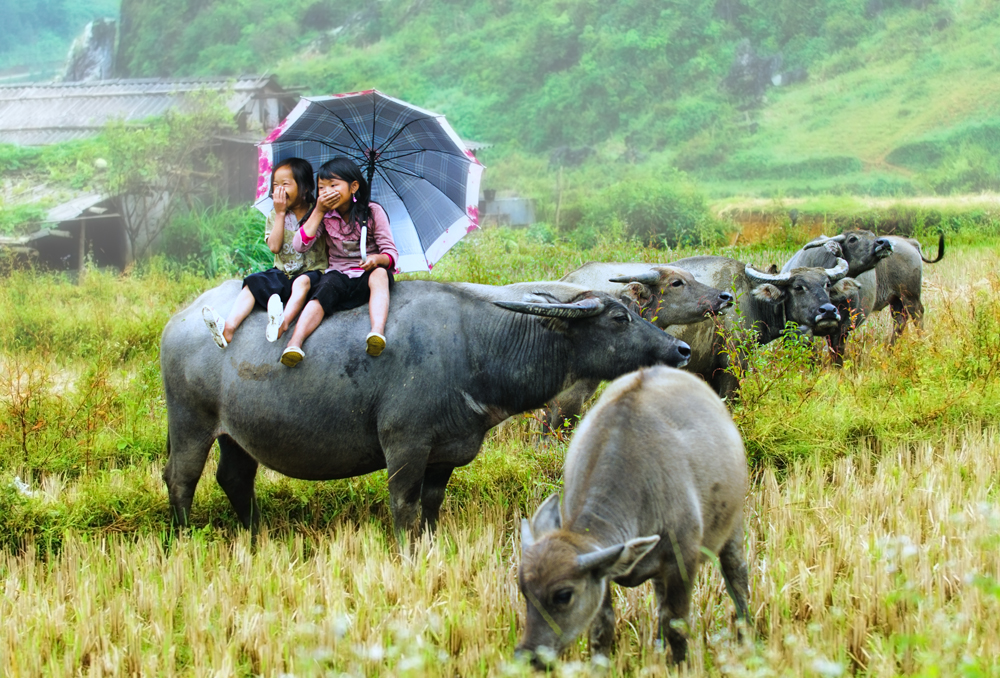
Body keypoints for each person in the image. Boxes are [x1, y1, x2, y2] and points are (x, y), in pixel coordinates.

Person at [279, 157, 398, 367]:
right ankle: (294, 343)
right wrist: (318, 211)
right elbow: (300, 245)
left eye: (333, 185)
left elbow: (390, 254)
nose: (327, 192)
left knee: (380, 274)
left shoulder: (372, 212)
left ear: (353, 187)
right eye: (321, 187)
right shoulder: (324, 216)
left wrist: (376, 259)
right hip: (339, 275)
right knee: (324, 288)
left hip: (368, 275)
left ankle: (377, 332)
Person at [202, 157, 328, 348]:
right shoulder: (275, 215)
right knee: (253, 282)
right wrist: (280, 214)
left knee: (301, 282)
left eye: (285, 184)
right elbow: (275, 247)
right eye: (275, 185)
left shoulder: (318, 212)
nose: (279, 190)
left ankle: (282, 324)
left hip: (312, 275)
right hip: (284, 273)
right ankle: (228, 328)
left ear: (305, 188)